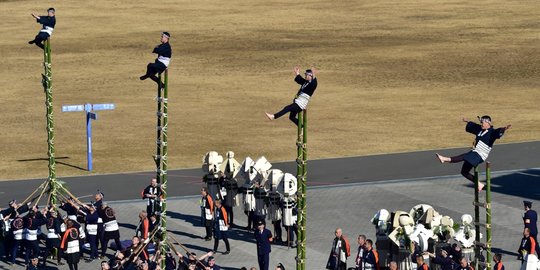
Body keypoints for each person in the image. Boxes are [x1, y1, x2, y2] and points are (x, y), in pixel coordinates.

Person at [436, 116, 511, 191]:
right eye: (481, 122)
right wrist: (467, 121)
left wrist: (504, 129)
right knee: (464, 172)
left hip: (481, 154)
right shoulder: (480, 129)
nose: (481, 124)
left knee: (465, 156)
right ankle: (479, 184)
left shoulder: (492, 132)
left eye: (483, 122)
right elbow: (473, 126)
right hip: (475, 152)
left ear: (488, 123)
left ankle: (445, 159)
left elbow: (498, 132)